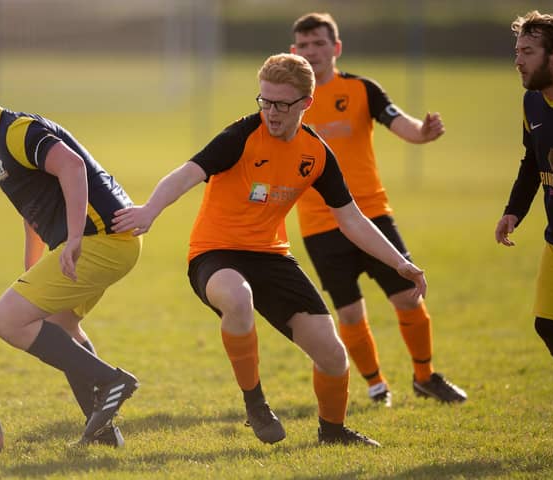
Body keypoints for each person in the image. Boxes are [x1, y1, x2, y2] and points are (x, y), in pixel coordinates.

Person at [112, 53, 426, 446]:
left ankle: (333, 431)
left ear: (306, 103)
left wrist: (401, 263)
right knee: (238, 299)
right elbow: (187, 173)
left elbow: (352, 219)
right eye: (264, 100)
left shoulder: (315, 153)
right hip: (216, 253)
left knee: (332, 355)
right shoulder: (241, 136)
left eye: (281, 104)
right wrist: (150, 210)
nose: (271, 112)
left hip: (272, 256)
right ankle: (255, 403)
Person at [0, 66, 142, 447]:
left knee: (7, 319)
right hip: (105, 243)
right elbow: (33, 211)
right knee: (60, 323)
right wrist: (35, 264)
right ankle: (102, 434)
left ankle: (111, 380)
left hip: (102, 240)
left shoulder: (17, 132)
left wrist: (77, 236)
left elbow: (72, 166)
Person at [290, 12, 466, 407]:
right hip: (320, 225)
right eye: (303, 46)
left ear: (335, 48)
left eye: (319, 43)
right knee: (350, 314)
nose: (312, 51)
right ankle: (376, 385)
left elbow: (399, 122)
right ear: (293, 52)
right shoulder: (289, 100)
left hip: (372, 216)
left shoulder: (361, 90)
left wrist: (423, 133)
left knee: (408, 298)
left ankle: (425, 376)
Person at [495, 10, 553, 450]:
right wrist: (514, 211)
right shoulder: (532, 103)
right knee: (549, 326)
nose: (518, 61)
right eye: (517, 52)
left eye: (528, 51)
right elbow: (532, 162)